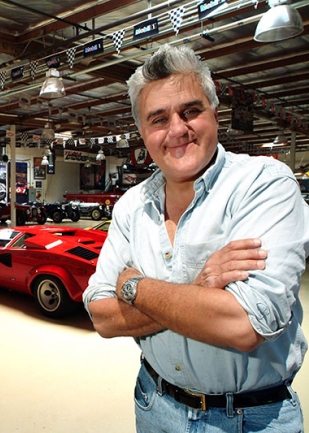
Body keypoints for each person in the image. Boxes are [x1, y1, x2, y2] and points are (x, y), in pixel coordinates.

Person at [83, 44, 309, 432]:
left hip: (252, 416)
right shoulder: (131, 207)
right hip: (155, 404)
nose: (176, 130)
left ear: (215, 114)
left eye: (190, 111)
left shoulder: (264, 183)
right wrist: (199, 288)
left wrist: (134, 286)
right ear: (142, 132)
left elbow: (244, 325)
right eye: (158, 119)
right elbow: (102, 317)